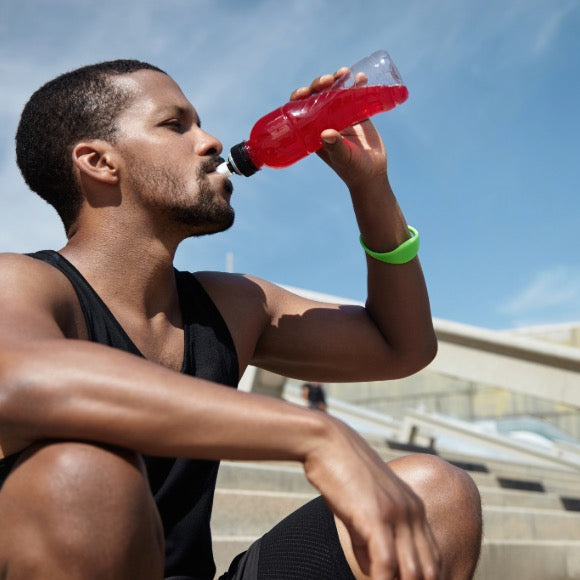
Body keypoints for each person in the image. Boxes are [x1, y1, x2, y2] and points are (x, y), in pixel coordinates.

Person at [0, 60, 482, 579]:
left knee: (438, 493)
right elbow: (18, 378)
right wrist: (316, 434)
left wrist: (369, 186)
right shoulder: (23, 281)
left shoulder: (231, 305)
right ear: (98, 161)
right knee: (79, 475)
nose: (210, 141)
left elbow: (402, 346)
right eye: (175, 124)